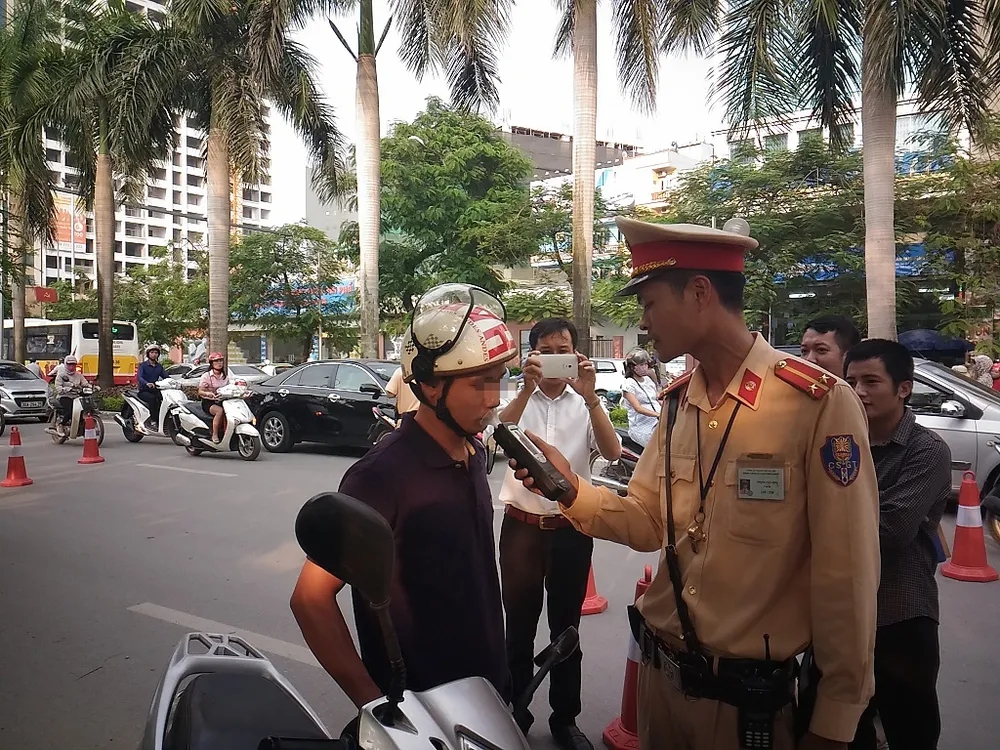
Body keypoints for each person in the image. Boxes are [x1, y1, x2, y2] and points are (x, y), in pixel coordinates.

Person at [510, 217, 880, 750]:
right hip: (660, 689)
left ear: (700, 293)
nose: (644, 322)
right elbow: (647, 521)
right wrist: (568, 488)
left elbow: (847, 572)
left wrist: (834, 722)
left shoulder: (816, 403)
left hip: (745, 707)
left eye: (650, 303)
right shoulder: (678, 403)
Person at [290, 283, 517, 726]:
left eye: (498, 379)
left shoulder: (472, 451)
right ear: (430, 385)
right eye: (478, 383)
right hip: (422, 711)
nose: (493, 398)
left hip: (485, 692)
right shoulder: (381, 475)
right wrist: (378, 708)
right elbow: (310, 599)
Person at [497, 318, 621, 750]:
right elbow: (495, 436)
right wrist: (525, 390)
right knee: (518, 629)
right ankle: (515, 711)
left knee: (566, 630)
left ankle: (565, 720)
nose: (555, 357)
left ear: (575, 353)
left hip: (571, 529)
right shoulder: (517, 396)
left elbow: (612, 452)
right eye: (546, 350)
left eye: (562, 349)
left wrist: (591, 398)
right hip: (521, 528)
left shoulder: (584, 402)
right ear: (532, 354)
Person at [845, 340, 950, 750]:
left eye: (871, 381)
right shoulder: (839, 444)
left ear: (904, 388)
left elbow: (891, 529)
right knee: (840, 727)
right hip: (841, 611)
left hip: (899, 611)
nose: (859, 391)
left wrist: (821, 518)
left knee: (910, 728)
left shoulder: (927, 450)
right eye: (851, 381)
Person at [621, 349, 660, 448]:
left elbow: (657, 399)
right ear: (632, 367)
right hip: (642, 428)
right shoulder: (629, 384)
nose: (644, 367)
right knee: (657, 450)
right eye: (641, 365)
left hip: (657, 423)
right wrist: (658, 414)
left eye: (646, 364)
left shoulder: (648, 380)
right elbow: (638, 408)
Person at [197, 352, 228, 443]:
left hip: (222, 401)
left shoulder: (225, 377)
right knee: (219, 411)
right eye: (216, 361)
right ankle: (214, 434)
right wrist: (208, 394)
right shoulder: (206, 376)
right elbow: (200, 392)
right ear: (211, 363)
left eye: (221, 361)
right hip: (209, 402)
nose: (219, 363)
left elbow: (229, 388)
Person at [52, 355, 87, 431]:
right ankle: (62, 424)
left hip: (76, 397)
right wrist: (67, 389)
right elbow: (58, 388)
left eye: (73, 364)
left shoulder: (78, 375)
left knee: (83, 409)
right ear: (65, 364)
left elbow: (85, 383)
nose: (71, 366)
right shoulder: (61, 375)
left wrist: (92, 386)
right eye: (69, 364)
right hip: (64, 396)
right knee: (70, 410)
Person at [137, 346, 167, 423]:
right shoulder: (142, 365)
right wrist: (147, 383)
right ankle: (153, 420)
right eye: (152, 352)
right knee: (153, 399)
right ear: (148, 354)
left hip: (155, 390)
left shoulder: (159, 366)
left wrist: (175, 382)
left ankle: (163, 420)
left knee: (165, 399)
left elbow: (166, 377)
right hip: (144, 391)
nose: (154, 354)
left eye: (156, 353)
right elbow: (140, 377)